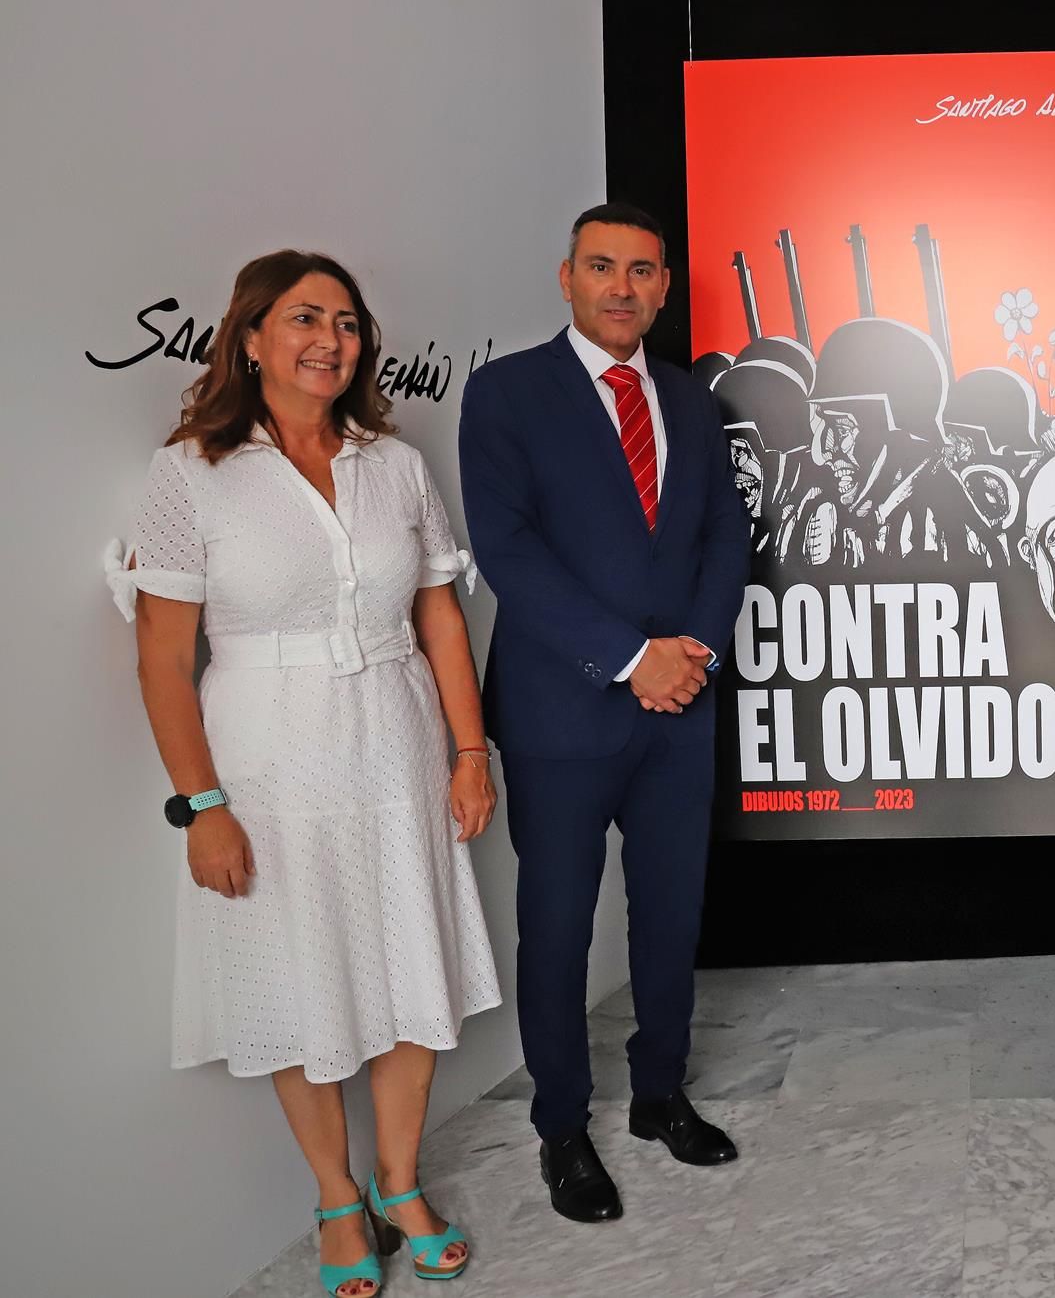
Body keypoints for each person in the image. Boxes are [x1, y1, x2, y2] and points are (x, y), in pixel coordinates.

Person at [108, 250, 498, 1298]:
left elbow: (437, 615)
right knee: (299, 974)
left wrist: (471, 750)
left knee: (413, 973)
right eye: (303, 318)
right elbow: (160, 654)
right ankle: (335, 1196)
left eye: (347, 321)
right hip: (268, 766)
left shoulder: (393, 459)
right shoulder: (189, 470)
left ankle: (400, 1181)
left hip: (397, 743)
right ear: (248, 338)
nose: (330, 338)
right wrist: (202, 805)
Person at [458, 203, 751, 1225]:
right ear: (566, 277)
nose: (621, 286)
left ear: (664, 286)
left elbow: (724, 533)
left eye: (641, 269)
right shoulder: (506, 393)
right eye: (600, 266)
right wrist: (631, 658)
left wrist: (694, 652)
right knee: (558, 923)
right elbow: (508, 550)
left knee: (671, 912)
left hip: (680, 707)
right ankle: (563, 1124)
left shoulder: (688, 399)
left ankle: (660, 1092)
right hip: (562, 709)